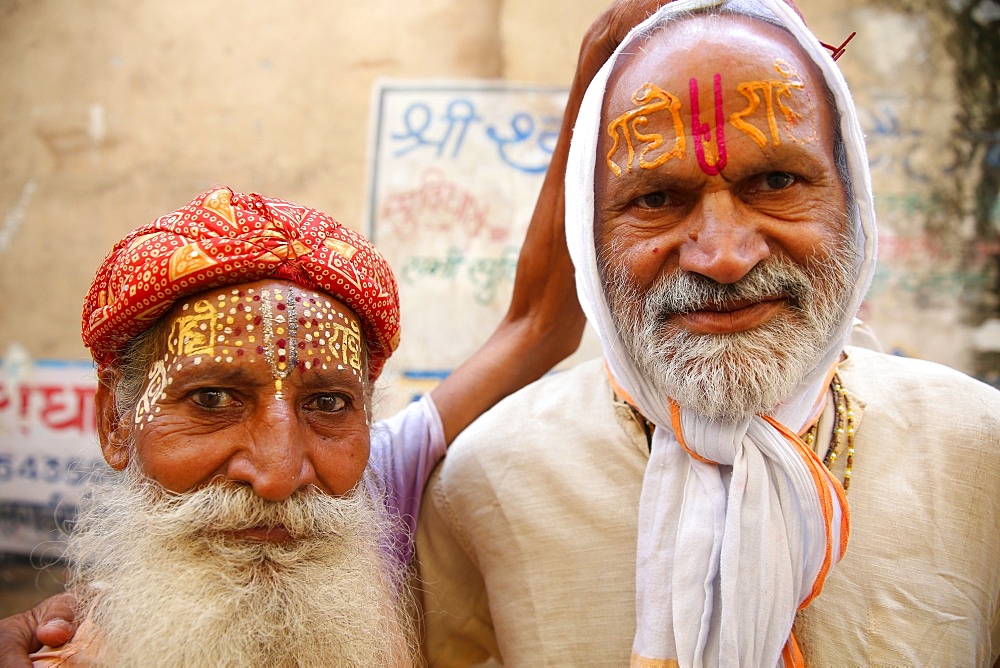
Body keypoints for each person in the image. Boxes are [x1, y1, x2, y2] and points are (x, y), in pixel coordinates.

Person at [415, 0, 1000, 666]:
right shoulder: (487, 483)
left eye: (776, 181)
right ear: (592, 231)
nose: (722, 255)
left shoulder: (978, 451)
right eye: (657, 198)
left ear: (852, 200)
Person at [0, 176, 584, 665]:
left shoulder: (366, 492)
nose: (279, 475)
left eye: (328, 403)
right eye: (211, 399)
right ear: (115, 422)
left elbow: (538, 327)